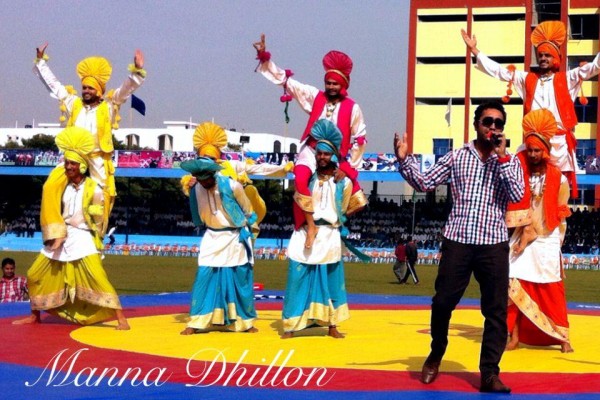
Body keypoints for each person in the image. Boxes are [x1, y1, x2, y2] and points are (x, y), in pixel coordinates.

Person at [394, 102, 524, 393]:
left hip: (493, 243)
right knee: (442, 303)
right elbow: (425, 182)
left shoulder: (510, 160)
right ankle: (436, 353)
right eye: (488, 121)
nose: (493, 128)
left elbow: (517, 194)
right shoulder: (457, 157)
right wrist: (404, 160)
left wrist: (502, 158)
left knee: (495, 312)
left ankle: (489, 373)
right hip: (458, 241)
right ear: (476, 124)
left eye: (498, 124)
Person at [253, 34, 368, 249]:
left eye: (335, 83)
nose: (331, 86)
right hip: (312, 149)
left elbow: (359, 139)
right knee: (301, 178)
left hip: (336, 156)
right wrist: (265, 58)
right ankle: (310, 225)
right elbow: (288, 83)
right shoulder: (316, 96)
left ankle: (336, 221)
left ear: (343, 84)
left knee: (358, 199)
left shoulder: (353, 107)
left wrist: (346, 165)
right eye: (328, 82)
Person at [462, 21, 600, 198]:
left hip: (557, 144)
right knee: (526, 187)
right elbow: (500, 72)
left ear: (555, 58)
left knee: (555, 190)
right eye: (540, 55)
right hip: (532, 143)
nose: (543, 58)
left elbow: (594, 68)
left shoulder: (568, 78)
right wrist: (475, 51)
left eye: (547, 55)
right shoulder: (526, 79)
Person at [13, 127, 129, 329]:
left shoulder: (94, 189)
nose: (68, 167)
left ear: (82, 167)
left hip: (83, 238)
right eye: (66, 163)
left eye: (72, 164)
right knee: (33, 274)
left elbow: (101, 216)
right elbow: (50, 198)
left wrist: (96, 220)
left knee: (98, 277)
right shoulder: (62, 185)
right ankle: (35, 315)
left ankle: (121, 319)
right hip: (63, 235)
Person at [34, 42, 146, 246]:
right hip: (73, 157)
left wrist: (136, 71)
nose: (85, 91)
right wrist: (41, 62)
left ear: (99, 90)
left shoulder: (109, 105)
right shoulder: (73, 103)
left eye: (89, 88)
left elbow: (125, 89)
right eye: (84, 87)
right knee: (50, 185)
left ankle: (95, 238)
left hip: (96, 159)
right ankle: (54, 233)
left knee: (100, 194)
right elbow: (54, 85)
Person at [281, 119, 368, 339]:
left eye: (326, 154)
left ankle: (332, 325)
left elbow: (357, 203)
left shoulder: (343, 182)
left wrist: (339, 219)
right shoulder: (308, 178)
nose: (321, 157)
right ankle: (292, 324)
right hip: (305, 233)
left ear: (334, 155)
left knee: (331, 281)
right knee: (297, 277)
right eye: (319, 153)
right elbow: (300, 198)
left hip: (329, 234)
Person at [505, 109, 574, 353]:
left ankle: (563, 337)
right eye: (530, 149)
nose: (533, 154)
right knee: (512, 283)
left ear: (545, 151)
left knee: (551, 285)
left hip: (546, 237)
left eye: (538, 150)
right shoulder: (518, 173)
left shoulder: (559, 179)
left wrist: (554, 240)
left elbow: (560, 213)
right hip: (521, 234)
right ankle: (512, 337)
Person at [179, 157, 258, 335]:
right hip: (211, 237)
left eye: (205, 178)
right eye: (199, 178)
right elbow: (196, 214)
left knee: (240, 280)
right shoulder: (196, 188)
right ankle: (197, 321)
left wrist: (249, 233)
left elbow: (249, 211)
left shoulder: (233, 186)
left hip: (235, 236)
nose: (202, 181)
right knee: (203, 278)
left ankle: (245, 322)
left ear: (213, 173)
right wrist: (193, 187)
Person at [181, 121, 293, 237]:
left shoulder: (232, 166)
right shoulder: (196, 176)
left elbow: (259, 168)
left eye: (211, 158)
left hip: (240, 218)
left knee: (250, 190)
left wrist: (282, 169)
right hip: (215, 226)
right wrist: (191, 187)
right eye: (204, 159)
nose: (207, 163)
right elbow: (196, 199)